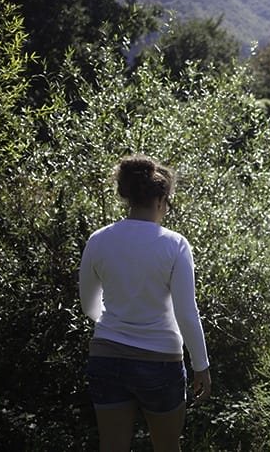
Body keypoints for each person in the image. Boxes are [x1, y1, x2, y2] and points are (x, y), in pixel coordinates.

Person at [79, 154, 211, 452]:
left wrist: (119, 323)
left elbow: (89, 304)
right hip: (160, 361)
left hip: (106, 356)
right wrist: (201, 365)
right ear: (161, 198)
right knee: (166, 446)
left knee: (112, 446)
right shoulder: (175, 244)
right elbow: (186, 313)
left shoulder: (99, 240)